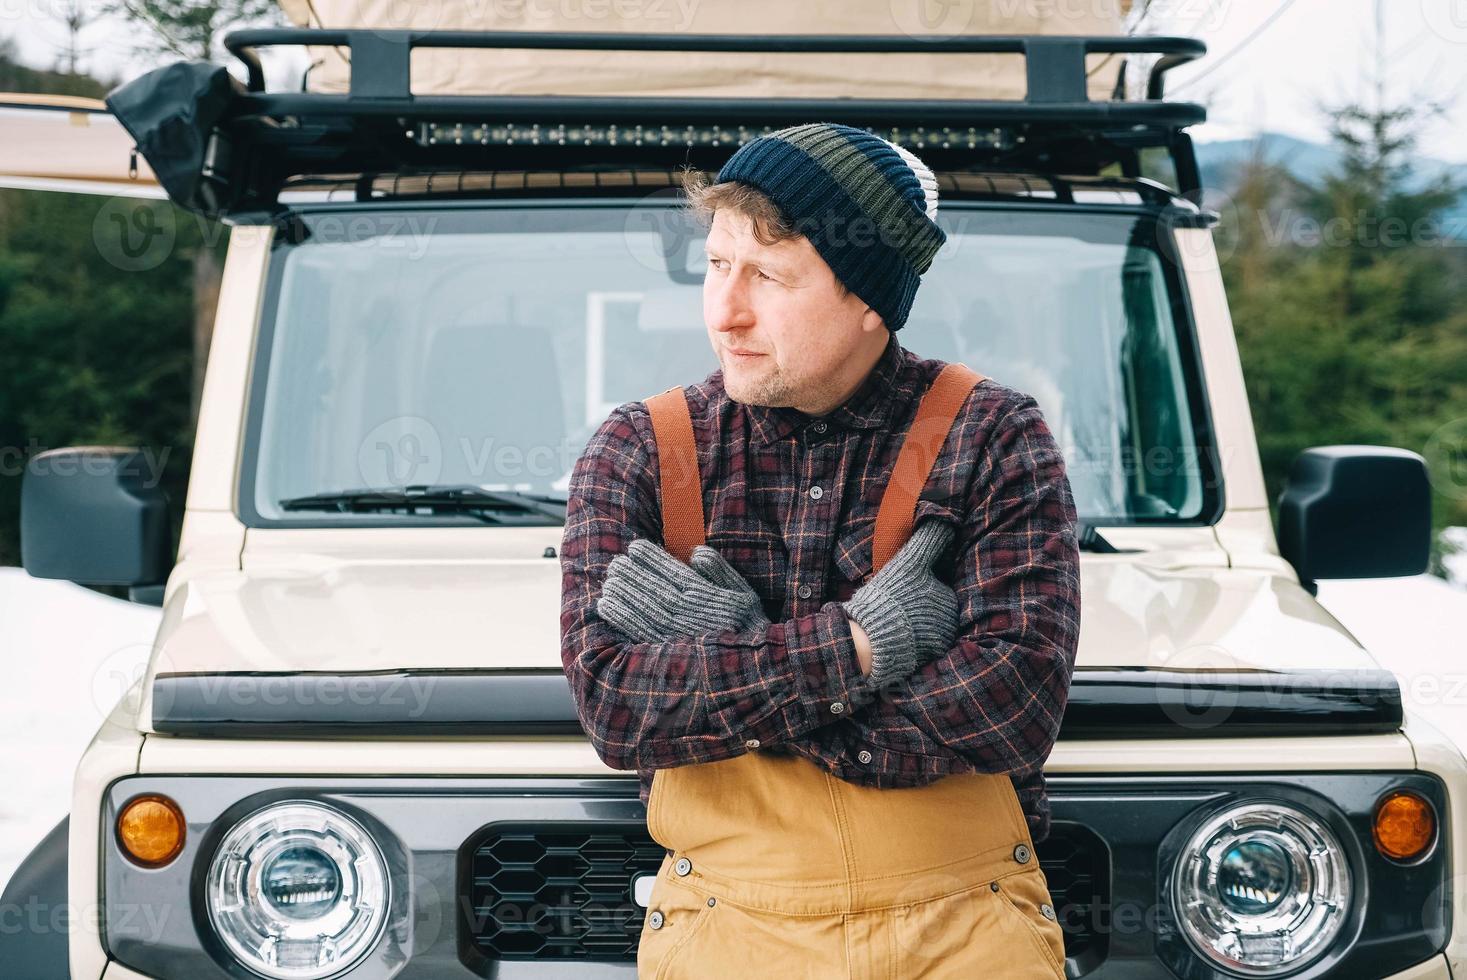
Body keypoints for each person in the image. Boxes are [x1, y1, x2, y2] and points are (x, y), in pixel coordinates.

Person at [559, 121, 1081, 978]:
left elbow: (1012, 705)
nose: (724, 310)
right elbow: (617, 709)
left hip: (964, 936)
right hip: (725, 936)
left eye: (768, 275)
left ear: (869, 298)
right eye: (718, 265)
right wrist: (859, 645)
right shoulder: (641, 448)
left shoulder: (992, 434)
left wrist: (736, 653)